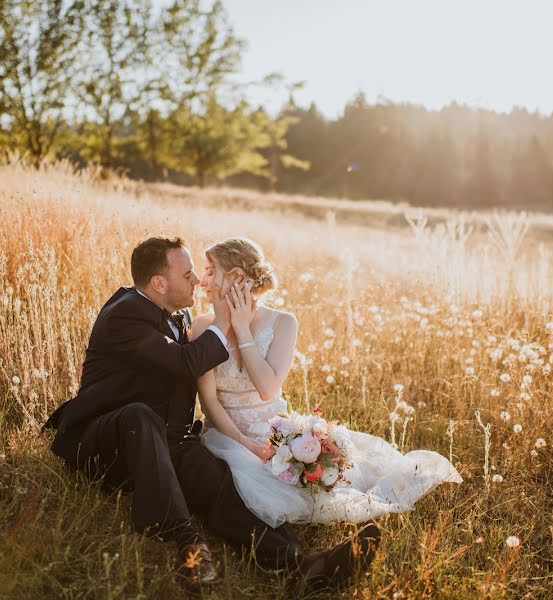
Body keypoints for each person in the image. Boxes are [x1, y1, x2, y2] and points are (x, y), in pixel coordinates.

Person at [43, 236, 381, 592]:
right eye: (188, 274)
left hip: (161, 440)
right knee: (139, 415)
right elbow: (185, 364)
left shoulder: (182, 316)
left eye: (198, 273)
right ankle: (187, 542)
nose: (197, 281)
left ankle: (301, 565)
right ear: (159, 283)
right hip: (104, 441)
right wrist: (224, 322)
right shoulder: (124, 315)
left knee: (216, 477)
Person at [191, 237, 463, 528]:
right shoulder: (201, 326)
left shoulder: (284, 323)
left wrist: (242, 329)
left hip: (275, 431)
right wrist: (248, 446)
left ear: (237, 277)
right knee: (259, 486)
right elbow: (209, 401)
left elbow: (267, 388)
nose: (201, 281)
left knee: (330, 481)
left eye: (209, 271)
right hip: (227, 435)